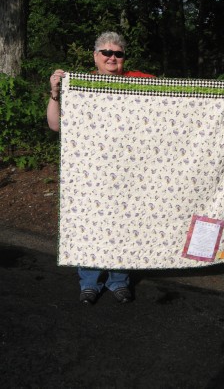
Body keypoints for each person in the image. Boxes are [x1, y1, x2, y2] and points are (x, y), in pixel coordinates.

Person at [47, 31, 155, 305]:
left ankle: (119, 280)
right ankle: (90, 282)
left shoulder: (140, 82)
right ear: (95, 56)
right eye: (106, 52)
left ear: (123, 59)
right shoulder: (81, 86)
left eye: (117, 53)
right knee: (90, 223)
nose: (112, 57)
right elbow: (55, 125)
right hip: (91, 172)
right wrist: (55, 93)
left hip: (130, 172)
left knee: (124, 225)